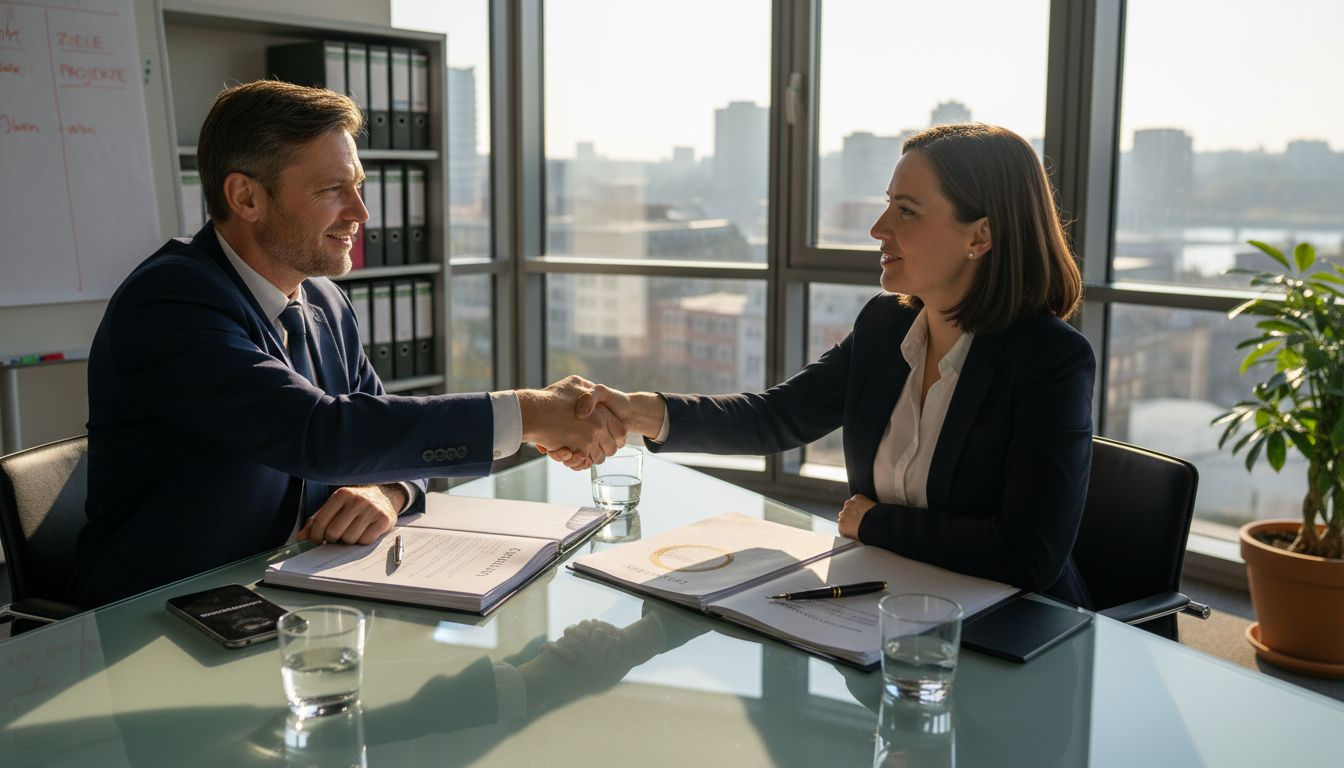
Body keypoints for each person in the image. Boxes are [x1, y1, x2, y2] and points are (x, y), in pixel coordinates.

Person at [72, 80, 621, 607]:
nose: (360, 213)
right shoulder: (169, 301)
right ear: (246, 197)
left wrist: (388, 491)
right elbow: (319, 432)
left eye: (357, 185)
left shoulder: (323, 300)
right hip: (160, 611)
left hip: (297, 590)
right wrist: (528, 414)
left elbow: (383, 433)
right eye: (332, 190)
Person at [556, 123, 1096, 606]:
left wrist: (875, 523)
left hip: (1013, 631)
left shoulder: (1051, 360)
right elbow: (774, 417)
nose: (878, 228)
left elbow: (1029, 554)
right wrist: (632, 411)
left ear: (979, 235)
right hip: (882, 603)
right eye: (888, 204)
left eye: (907, 211)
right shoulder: (885, 326)